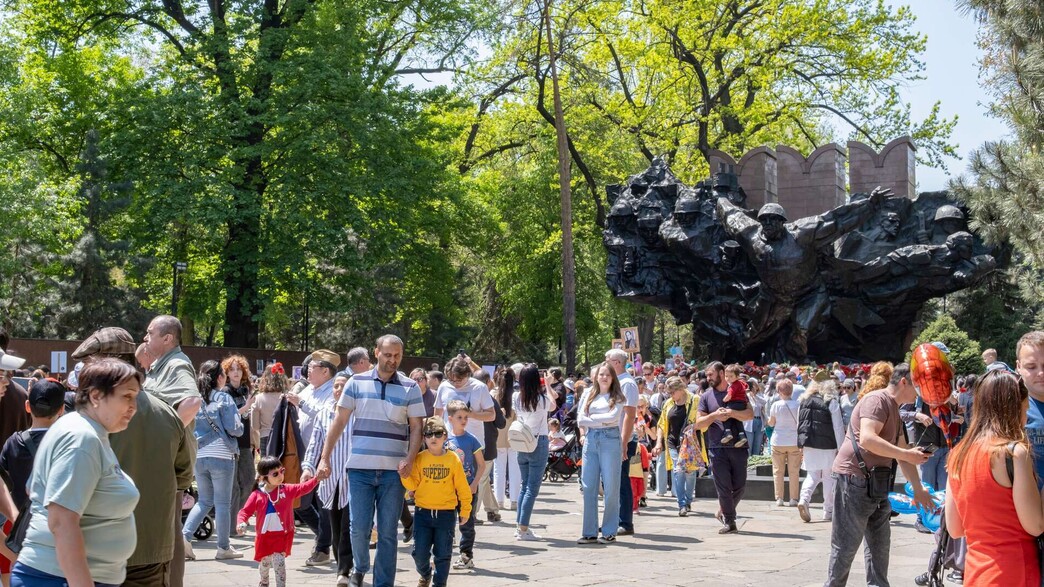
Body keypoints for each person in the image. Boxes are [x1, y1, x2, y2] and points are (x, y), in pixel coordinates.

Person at [12, 359, 141, 587]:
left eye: (135, 397)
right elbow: (61, 521)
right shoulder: (82, 438)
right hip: (57, 578)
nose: (134, 406)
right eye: (127, 396)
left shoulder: (82, 429)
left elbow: (34, 488)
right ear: (96, 396)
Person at [79, 330, 192, 587]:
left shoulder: (88, 419)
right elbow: (183, 476)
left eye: (89, 366)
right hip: (152, 549)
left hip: (100, 550)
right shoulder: (167, 414)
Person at [316, 335, 425, 587]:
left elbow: (417, 428)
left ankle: (383, 583)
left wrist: (410, 458)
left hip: (393, 472)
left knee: (387, 533)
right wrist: (325, 458)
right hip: (359, 469)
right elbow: (339, 421)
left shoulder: (410, 387)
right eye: (388, 355)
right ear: (376, 352)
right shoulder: (356, 382)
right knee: (358, 528)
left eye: (397, 355)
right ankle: (360, 567)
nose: (392, 360)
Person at [824, 364, 933, 587]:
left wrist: (919, 489)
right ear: (904, 382)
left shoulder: (896, 408)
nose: (920, 393)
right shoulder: (877, 400)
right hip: (853, 480)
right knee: (845, 548)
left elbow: (904, 456)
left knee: (879, 549)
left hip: (876, 485)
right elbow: (867, 439)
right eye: (918, 386)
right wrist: (905, 453)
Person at [944, 368, 1042, 585]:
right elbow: (1035, 525)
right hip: (1015, 570)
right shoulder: (1014, 452)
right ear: (1012, 410)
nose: (1025, 420)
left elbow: (955, 528)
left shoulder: (957, 454)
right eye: (1024, 411)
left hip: (976, 571)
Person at [142, 315, 200, 585]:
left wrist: (162, 438)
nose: (145, 337)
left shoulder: (176, 363)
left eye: (150, 333)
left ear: (167, 338)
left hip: (167, 464)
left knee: (171, 532)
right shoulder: (160, 365)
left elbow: (191, 402)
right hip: (160, 462)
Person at [183, 360, 245, 560]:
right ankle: (223, 547)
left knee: (204, 501)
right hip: (222, 455)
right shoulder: (224, 398)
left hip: (199, 456)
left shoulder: (194, 400)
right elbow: (235, 428)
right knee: (222, 503)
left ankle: (185, 537)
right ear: (220, 377)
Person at [400, 416, 471, 587]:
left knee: (443, 554)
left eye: (438, 434)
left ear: (445, 437)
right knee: (419, 553)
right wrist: (404, 476)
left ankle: (440, 583)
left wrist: (465, 510)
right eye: (429, 434)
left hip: (446, 514)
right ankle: (425, 574)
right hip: (423, 513)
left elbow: (462, 487)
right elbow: (413, 484)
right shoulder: (420, 458)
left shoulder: (453, 459)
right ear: (424, 437)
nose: (433, 438)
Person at [286, 349, 340, 567]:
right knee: (299, 502)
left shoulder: (333, 391)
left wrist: (300, 403)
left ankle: (323, 547)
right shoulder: (309, 389)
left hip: (324, 456)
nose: (307, 371)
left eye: (312, 368)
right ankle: (324, 535)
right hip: (304, 454)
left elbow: (325, 417)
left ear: (325, 371)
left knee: (322, 501)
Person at [236, 456, 320, 587]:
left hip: (281, 536)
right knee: (264, 564)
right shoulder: (257, 495)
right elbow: (245, 511)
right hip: (264, 537)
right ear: (264, 477)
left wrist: (317, 479)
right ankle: (264, 582)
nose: (280, 476)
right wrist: (241, 522)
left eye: (282, 471)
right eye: (275, 474)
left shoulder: (286, 490)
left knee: (279, 564)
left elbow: (303, 488)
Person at [302, 374, 353, 585]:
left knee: (348, 526)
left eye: (343, 386)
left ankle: (345, 570)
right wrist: (308, 468)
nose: (339, 389)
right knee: (335, 526)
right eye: (336, 386)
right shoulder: (324, 413)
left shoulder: (358, 413)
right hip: (329, 479)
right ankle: (342, 566)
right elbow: (315, 443)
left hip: (353, 479)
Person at [695, 361, 754, 534]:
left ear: (722, 373)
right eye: (707, 375)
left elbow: (749, 414)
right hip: (717, 447)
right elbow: (699, 424)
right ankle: (730, 520)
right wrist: (714, 415)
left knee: (740, 486)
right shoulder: (706, 396)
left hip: (738, 446)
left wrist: (731, 413)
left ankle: (723, 509)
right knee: (723, 486)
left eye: (711, 374)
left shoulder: (738, 391)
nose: (708, 378)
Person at [576, 362, 625, 544]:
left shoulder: (618, 396)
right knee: (588, 486)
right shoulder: (589, 393)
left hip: (610, 440)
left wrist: (593, 419)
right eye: (601, 374)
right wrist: (597, 422)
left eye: (608, 375)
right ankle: (589, 532)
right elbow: (580, 418)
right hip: (590, 440)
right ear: (596, 377)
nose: (604, 377)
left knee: (611, 486)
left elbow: (613, 417)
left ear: (613, 378)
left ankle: (609, 530)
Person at [511, 364, 556, 541]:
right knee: (532, 487)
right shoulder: (542, 399)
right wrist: (549, 385)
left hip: (521, 440)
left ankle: (519, 526)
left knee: (524, 485)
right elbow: (553, 405)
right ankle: (523, 528)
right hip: (539, 442)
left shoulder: (516, 397)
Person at [796, 378, 844, 522]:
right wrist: (841, 448)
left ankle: (803, 500)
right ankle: (828, 511)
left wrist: (800, 444)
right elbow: (838, 426)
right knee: (829, 477)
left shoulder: (804, 401)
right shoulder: (831, 402)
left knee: (812, 475)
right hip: (828, 444)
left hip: (809, 443)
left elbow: (799, 424)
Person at [444, 401, 485, 569]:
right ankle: (443, 555)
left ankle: (466, 556)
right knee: (446, 524)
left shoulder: (471, 439)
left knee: (466, 524)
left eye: (466, 417)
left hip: (467, 489)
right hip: (447, 490)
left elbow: (481, 465)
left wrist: (474, 483)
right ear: (450, 418)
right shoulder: (445, 439)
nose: (463, 420)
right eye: (459, 417)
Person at [654, 376, 701, 516]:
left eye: (672, 392)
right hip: (672, 442)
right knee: (678, 471)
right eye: (669, 393)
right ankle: (681, 504)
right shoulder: (668, 403)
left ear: (681, 389)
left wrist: (694, 426)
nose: (671, 395)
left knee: (690, 473)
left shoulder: (695, 400)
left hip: (689, 443)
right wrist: (658, 443)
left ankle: (688, 500)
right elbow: (661, 424)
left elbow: (702, 420)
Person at [221, 354, 257, 535]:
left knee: (250, 479)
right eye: (232, 369)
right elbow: (229, 415)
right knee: (233, 486)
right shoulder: (225, 392)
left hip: (244, 443)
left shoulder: (245, 390)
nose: (235, 372)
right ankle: (232, 525)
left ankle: (237, 516)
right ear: (226, 373)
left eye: (238, 369)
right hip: (230, 443)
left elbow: (249, 418)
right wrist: (246, 406)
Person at [605, 349, 639, 536]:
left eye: (607, 360)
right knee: (612, 482)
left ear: (617, 362)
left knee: (621, 481)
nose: (605, 363)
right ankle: (614, 519)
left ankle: (625, 522)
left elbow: (629, 415)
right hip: (611, 438)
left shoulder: (627, 384)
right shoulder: (615, 383)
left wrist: (624, 442)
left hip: (622, 439)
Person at [767, 379, 801, 506]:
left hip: (778, 440)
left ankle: (779, 498)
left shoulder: (776, 405)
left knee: (778, 471)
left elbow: (771, 423)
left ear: (779, 391)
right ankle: (793, 499)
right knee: (794, 472)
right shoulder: (798, 404)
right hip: (794, 441)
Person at [493, 369, 520, 511]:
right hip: (514, 436)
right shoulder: (516, 396)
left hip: (497, 436)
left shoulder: (493, 395)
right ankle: (514, 500)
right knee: (515, 469)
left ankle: (499, 500)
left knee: (499, 470)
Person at [252, 363, 290, 454]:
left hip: (266, 436)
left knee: (267, 466)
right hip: (284, 437)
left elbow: (255, 426)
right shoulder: (288, 397)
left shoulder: (259, 398)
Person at [720, 364, 749, 448]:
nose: (728, 378)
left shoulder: (733, 385)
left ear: (737, 376)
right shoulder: (741, 383)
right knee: (738, 419)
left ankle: (728, 432)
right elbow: (746, 386)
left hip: (734, 403)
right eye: (726, 376)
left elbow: (729, 395)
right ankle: (742, 435)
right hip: (742, 404)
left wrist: (724, 400)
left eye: (731, 376)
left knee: (725, 415)